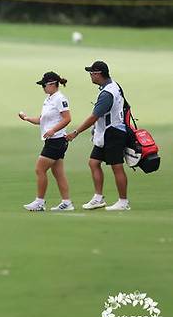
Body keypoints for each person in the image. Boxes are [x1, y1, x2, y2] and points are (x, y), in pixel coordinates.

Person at [66, 61, 130, 211]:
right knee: (94, 162)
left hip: (113, 133)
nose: (90, 76)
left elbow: (94, 117)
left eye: (91, 73)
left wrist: (75, 132)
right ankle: (98, 198)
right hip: (107, 132)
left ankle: (123, 201)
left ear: (98, 74)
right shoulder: (114, 85)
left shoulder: (107, 94)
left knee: (117, 167)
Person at [19, 72, 73, 211]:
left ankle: (40, 202)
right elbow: (41, 120)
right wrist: (26, 118)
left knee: (40, 169)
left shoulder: (60, 99)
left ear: (52, 84)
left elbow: (67, 118)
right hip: (52, 140)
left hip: (56, 140)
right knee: (58, 173)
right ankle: (67, 203)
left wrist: (53, 130)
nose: (43, 88)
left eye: (44, 85)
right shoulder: (49, 99)